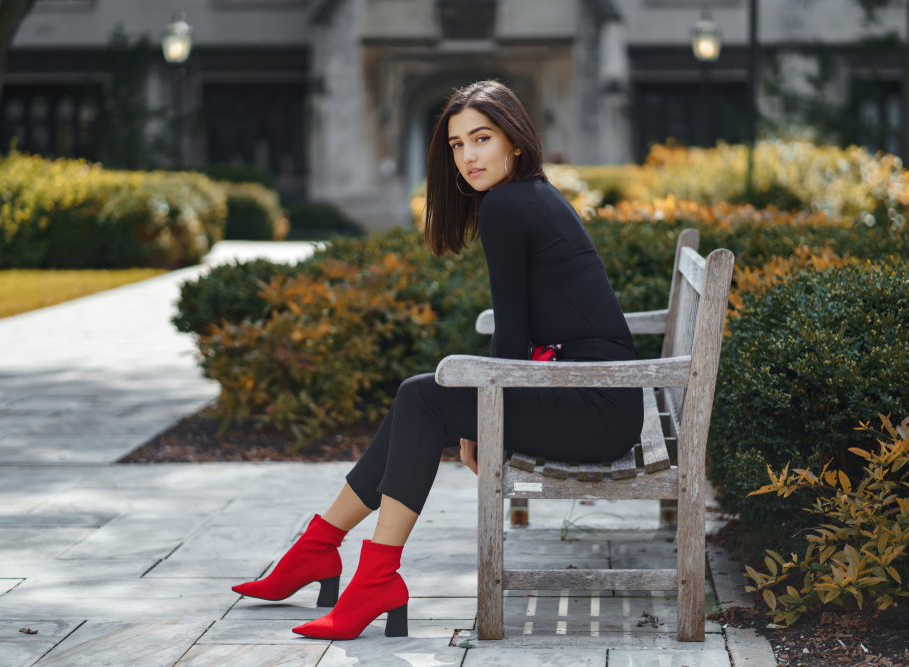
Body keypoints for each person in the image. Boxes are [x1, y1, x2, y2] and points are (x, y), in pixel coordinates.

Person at [230, 80, 644, 640]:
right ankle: (321, 547)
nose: (468, 156)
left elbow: (513, 335)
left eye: (482, 139)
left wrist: (484, 416)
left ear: (514, 142)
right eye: (456, 145)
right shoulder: (530, 195)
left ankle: (367, 572)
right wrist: (480, 414)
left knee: (423, 397)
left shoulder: (506, 203)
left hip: (597, 408)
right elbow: (518, 334)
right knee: (418, 396)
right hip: (601, 398)